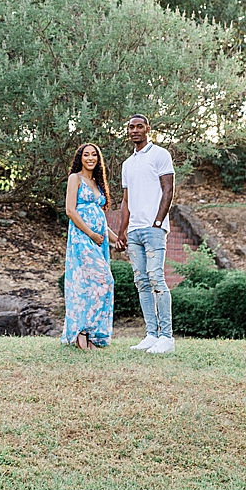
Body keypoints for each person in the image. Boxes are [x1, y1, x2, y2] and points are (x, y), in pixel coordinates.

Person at [111, 113, 175, 354]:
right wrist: (122, 232)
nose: (135, 130)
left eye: (139, 126)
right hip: (135, 231)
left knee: (156, 278)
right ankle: (151, 334)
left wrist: (158, 221)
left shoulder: (160, 154)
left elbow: (168, 189)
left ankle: (166, 337)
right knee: (141, 282)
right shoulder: (128, 164)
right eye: (131, 127)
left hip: (154, 228)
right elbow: (126, 200)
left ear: (148, 129)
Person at [61, 142, 114, 351]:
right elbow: (70, 211)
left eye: (94, 155)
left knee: (96, 284)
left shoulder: (97, 183)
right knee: (102, 280)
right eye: (86, 155)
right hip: (82, 239)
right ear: (80, 158)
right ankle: (81, 331)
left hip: (99, 242)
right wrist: (91, 234)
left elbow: (101, 219)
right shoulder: (75, 178)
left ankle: (91, 332)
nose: (90, 158)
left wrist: (115, 238)